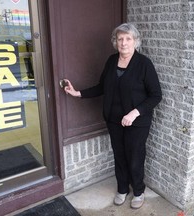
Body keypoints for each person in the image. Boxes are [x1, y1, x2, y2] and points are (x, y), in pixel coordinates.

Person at [64, 23, 162, 209]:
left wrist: (135, 113)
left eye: (128, 39)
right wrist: (78, 93)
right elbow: (102, 87)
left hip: (137, 122)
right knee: (119, 155)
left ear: (135, 41)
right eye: (120, 39)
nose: (123, 43)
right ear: (115, 42)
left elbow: (156, 95)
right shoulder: (111, 61)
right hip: (114, 120)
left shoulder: (144, 64)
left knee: (135, 157)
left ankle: (139, 191)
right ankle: (123, 188)